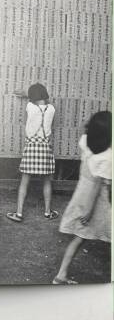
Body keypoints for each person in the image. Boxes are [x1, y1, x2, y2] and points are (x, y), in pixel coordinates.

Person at [53, 111, 111, 284]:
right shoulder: (107, 157)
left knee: (79, 237)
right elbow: (99, 189)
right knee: (85, 236)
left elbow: (85, 131)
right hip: (96, 201)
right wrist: (89, 212)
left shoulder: (85, 141)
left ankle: (61, 275)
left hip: (81, 192)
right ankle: (61, 275)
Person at [7, 83, 58, 223]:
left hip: (31, 147)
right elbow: (45, 102)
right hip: (45, 148)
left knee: (24, 181)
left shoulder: (30, 107)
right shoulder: (52, 109)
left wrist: (26, 94)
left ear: (32, 97)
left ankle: (19, 213)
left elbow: (31, 100)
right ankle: (48, 212)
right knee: (47, 181)